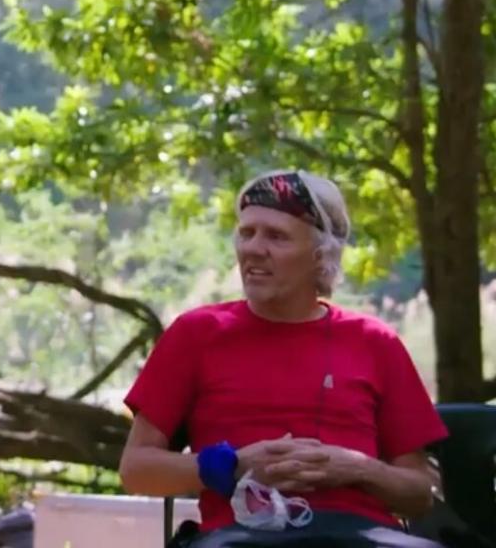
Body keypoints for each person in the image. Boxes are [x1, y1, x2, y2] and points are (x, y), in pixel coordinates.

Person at [118, 169, 449, 547]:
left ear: (321, 254)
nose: (253, 249)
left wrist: (357, 468)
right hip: (242, 535)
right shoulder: (197, 333)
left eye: (276, 236)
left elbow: (420, 493)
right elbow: (137, 469)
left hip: (363, 537)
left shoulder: (374, 341)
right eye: (246, 233)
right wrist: (231, 465)